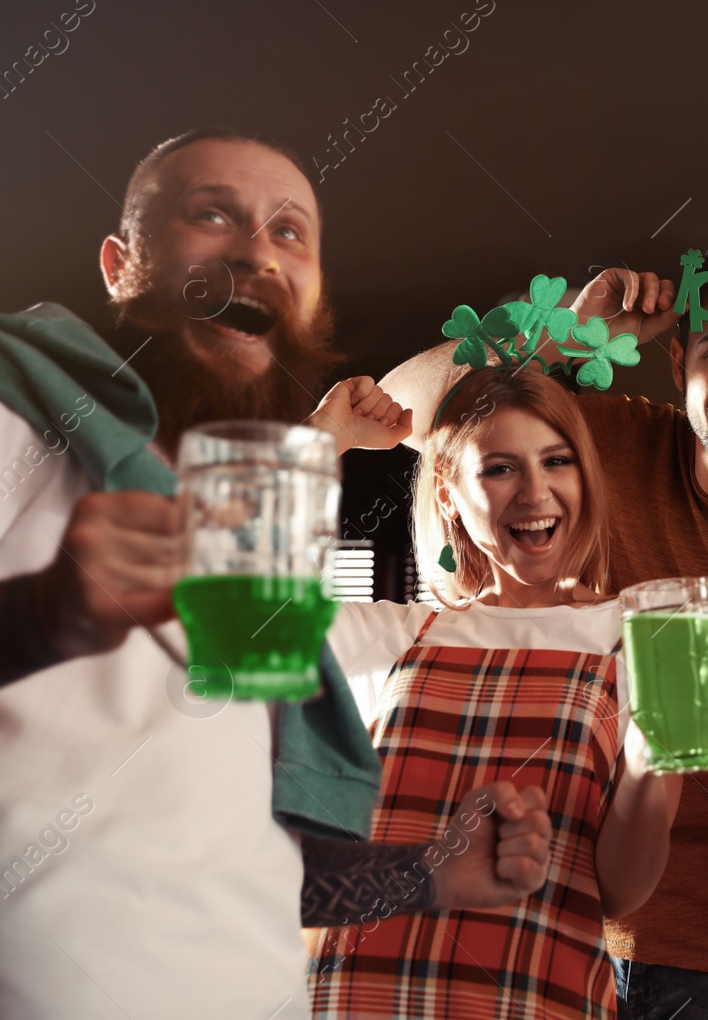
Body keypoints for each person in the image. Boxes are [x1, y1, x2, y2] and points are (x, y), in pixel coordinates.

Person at [0, 129, 548, 1020]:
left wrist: (428, 873)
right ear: (121, 262)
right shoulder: (17, 409)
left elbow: (246, 849)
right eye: (212, 214)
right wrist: (42, 616)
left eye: (291, 233)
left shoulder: (256, 546)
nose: (257, 251)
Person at [380, 228, 708, 1019]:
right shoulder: (606, 442)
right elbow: (397, 407)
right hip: (558, 927)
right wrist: (558, 327)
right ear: (678, 362)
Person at [308, 363, 681, 1019]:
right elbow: (243, 611)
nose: (535, 493)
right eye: (500, 468)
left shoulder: (637, 634)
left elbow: (621, 890)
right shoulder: (402, 633)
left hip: (535, 996)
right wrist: (323, 439)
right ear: (449, 494)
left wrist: (656, 758)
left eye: (556, 461)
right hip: (356, 997)